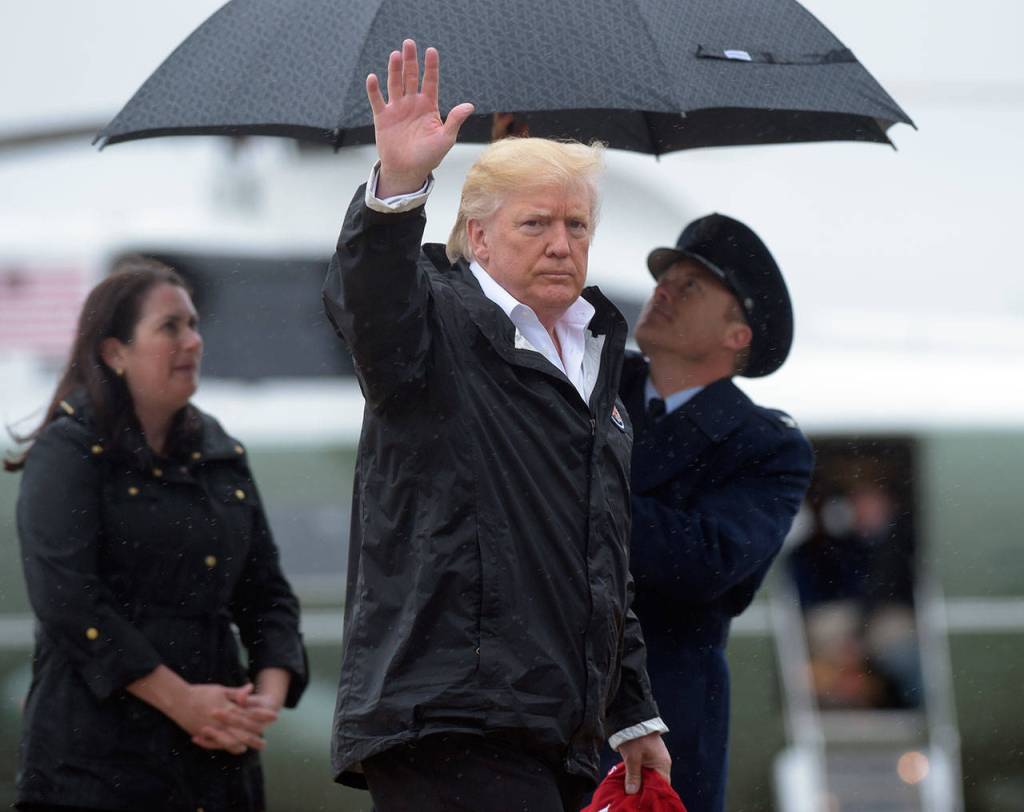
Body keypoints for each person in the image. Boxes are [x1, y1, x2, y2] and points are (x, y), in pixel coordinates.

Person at [322, 40, 670, 811]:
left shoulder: (594, 358)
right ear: (477, 237)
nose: (561, 243)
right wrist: (400, 187)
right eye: (536, 224)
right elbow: (369, 304)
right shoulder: (434, 327)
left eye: (577, 225)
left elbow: (598, 550)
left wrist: (631, 710)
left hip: (555, 731)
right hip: (449, 719)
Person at [7, 257, 307, 812]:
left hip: (215, 762)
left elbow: (267, 595)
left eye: (193, 324)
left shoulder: (220, 451)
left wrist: (258, 705)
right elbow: (68, 603)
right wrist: (182, 701)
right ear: (114, 353)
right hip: (96, 766)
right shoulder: (69, 453)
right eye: (170, 327)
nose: (192, 341)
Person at [615, 215, 814, 812]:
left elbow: (703, 562)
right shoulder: (584, 386)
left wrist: (569, 495)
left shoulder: (765, 446)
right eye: (665, 278)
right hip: (536, 695)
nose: (663, 291)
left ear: (738, 336)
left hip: (660, 711)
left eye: (692, 285)